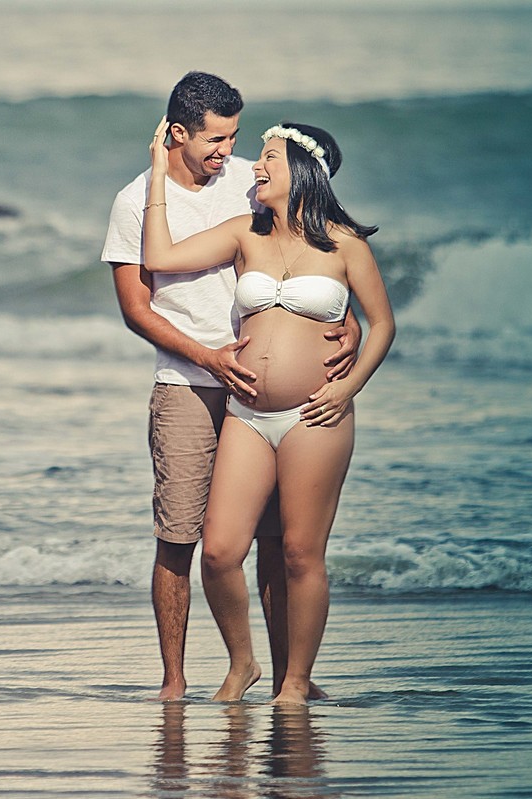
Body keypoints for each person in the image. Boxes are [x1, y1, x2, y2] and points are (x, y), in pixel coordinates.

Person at [101, 72, 360, 701]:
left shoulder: (251, 180)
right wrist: (209, 359)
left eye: (234, 136)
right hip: (188, 384)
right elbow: (137, 309)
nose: (227, 150)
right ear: (177, 134)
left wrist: (347, 319)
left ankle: (289, 677)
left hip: (260, 396)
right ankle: (174, 681)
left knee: (275, 541)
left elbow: (315, 252)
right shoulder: (135, 201)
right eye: (214, 139)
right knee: (181, 538)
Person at [142, 116, 395, 704]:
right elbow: (158, 256)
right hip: (247, 416)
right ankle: (243, 663)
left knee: (301, 553)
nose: (255, 165)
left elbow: (382, 323)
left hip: (316, 418)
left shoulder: (346, 245)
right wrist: (157, 171)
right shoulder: (245, 233)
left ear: (302, 171)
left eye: (269, 157)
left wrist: (350, 387)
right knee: (220, 551)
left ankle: (296, 683)